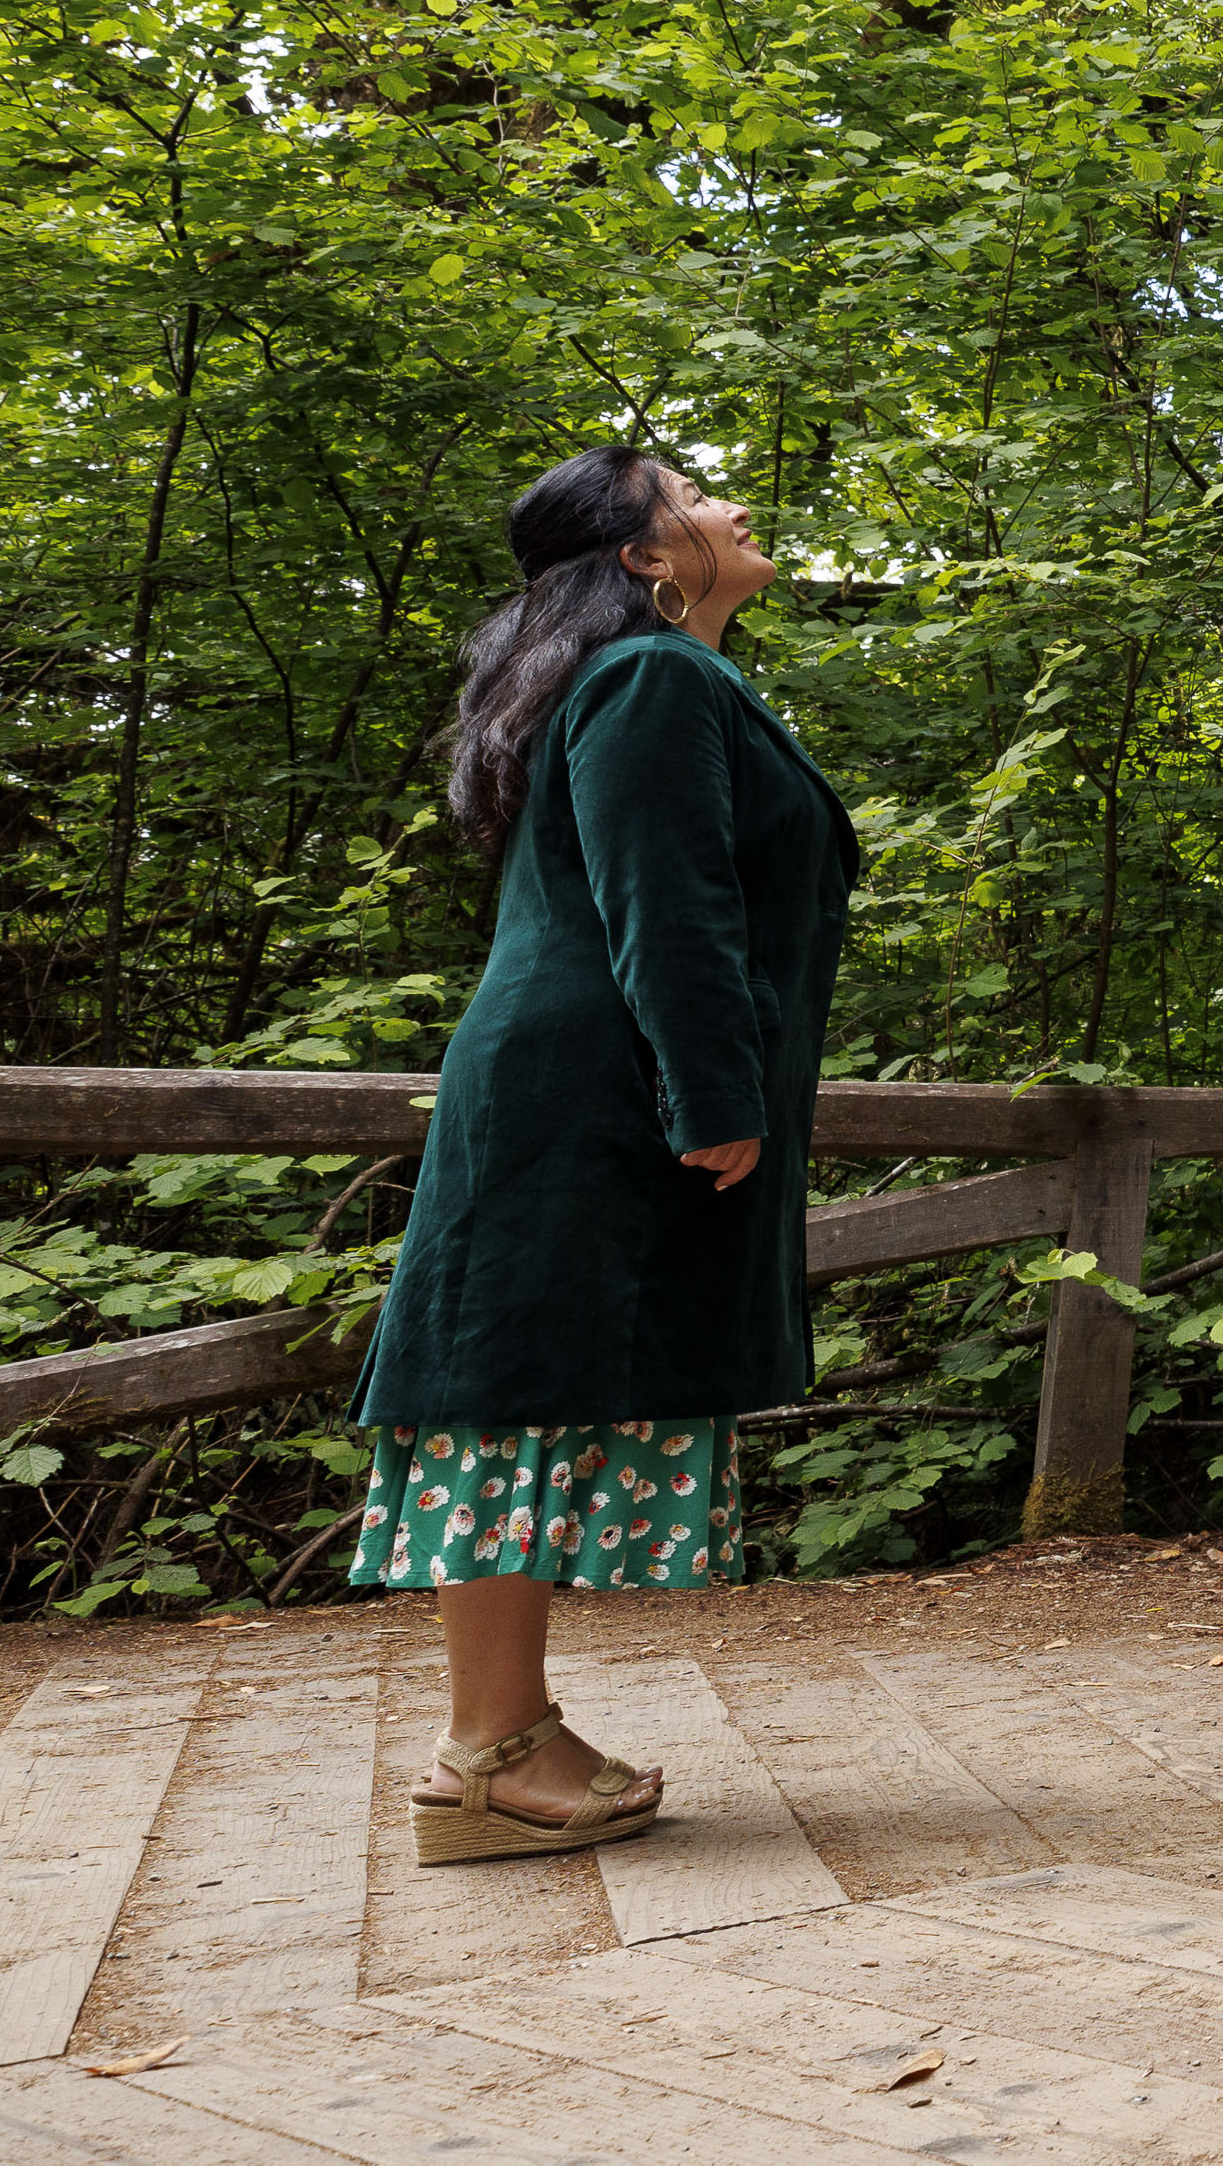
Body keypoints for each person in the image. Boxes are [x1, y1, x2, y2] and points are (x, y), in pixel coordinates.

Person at [345, 446, 857, 1860]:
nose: (730, 504)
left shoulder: (654, 678)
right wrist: (714, 1092)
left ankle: (504, 1743)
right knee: (511, 1389)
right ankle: (488, 1755)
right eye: (694, 495)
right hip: (590, 1091)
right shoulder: (651, 677)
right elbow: (667, 901)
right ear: (644, 556)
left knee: (532, 1385)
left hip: (592, 1082)